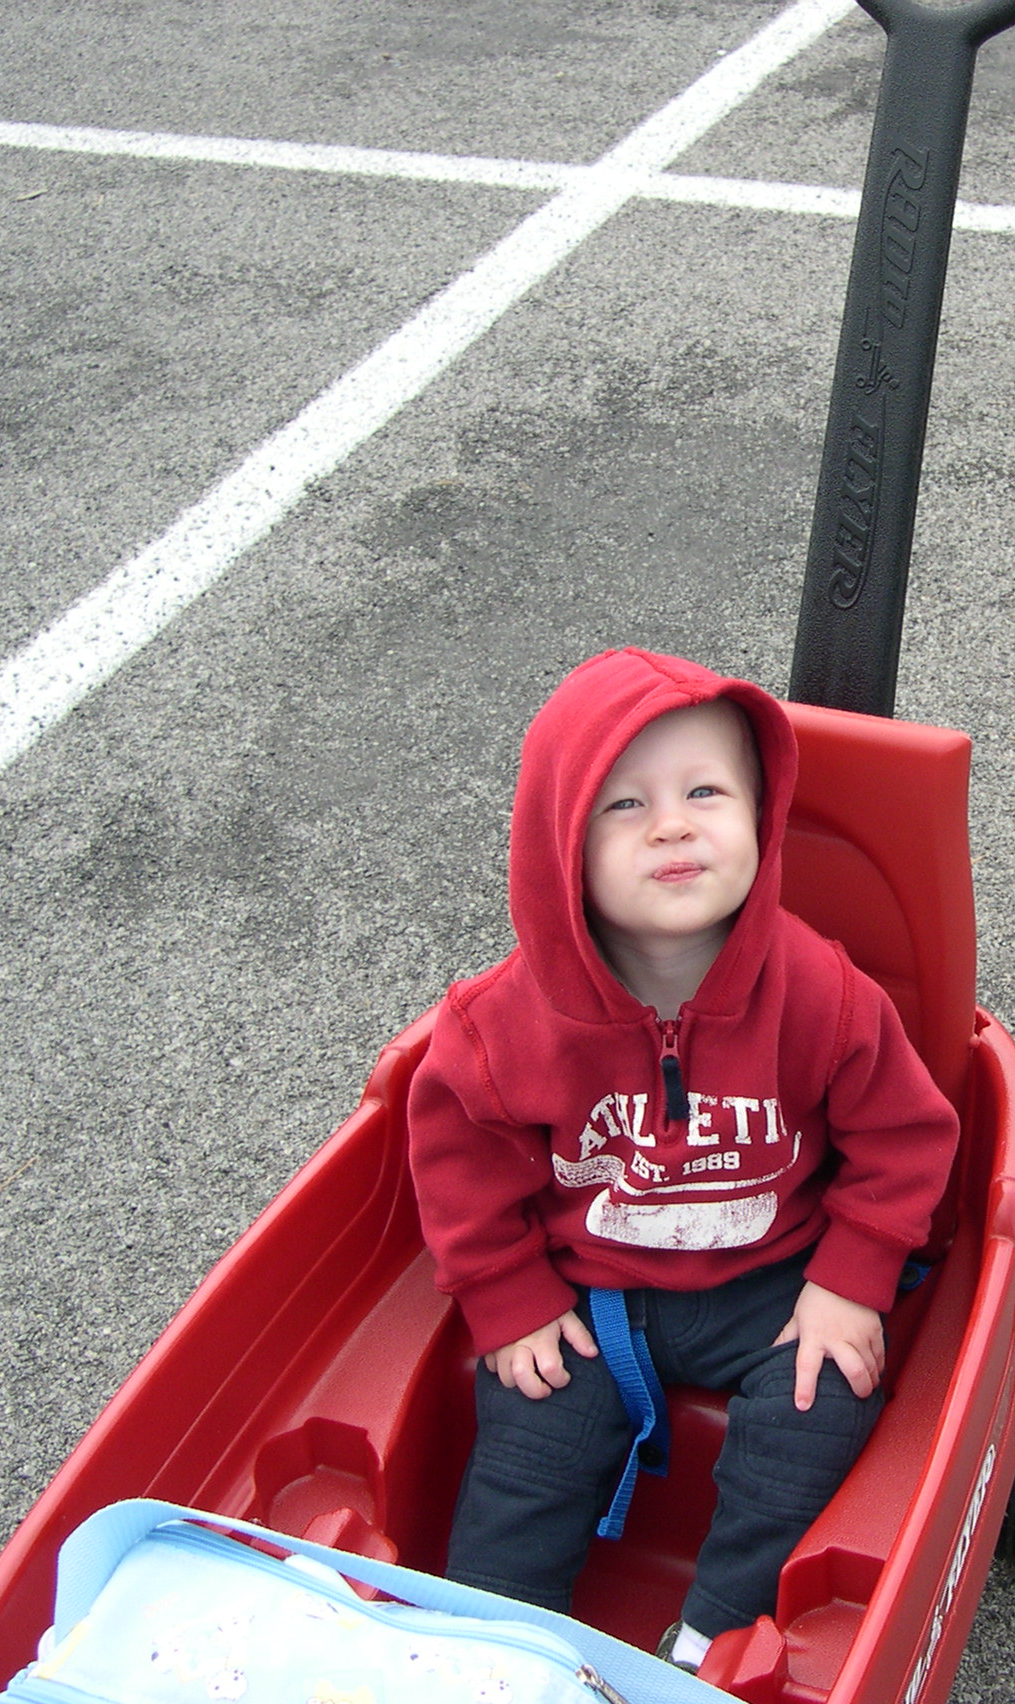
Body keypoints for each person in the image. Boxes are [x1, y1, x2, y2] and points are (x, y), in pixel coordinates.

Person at [407, 647, 959, 1671]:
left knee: (822, 1394)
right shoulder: (501, 1025)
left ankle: (713, 1639)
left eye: (706, 791)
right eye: (623, 806)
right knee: (528, 1445)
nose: (671, 824)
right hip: (587, 1294)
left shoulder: (819, 993)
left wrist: (852, 1280)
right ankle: (489, 1652)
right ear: (557, 848)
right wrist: (508, 1296)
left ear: (760, 817)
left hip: (767, 1283)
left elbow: (906, 1136)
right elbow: (461, 1163)